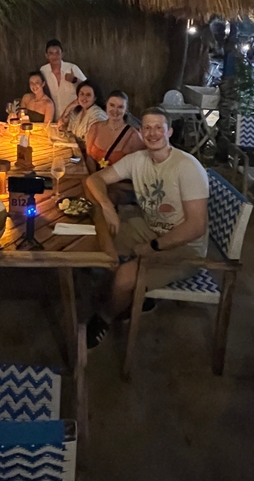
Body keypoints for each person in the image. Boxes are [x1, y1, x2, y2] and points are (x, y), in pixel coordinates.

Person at [84, 107, 209, 349]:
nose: (152, 133)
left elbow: (196, 227)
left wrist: (153, 246)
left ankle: (106, 317)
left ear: (169, 132)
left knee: (125, 275)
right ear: (140, 132)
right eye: (147, 128)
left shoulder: (187, 167)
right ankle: (137, 296)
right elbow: (94, 179)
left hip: (185, 247)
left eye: (158, 128)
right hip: (150, 228)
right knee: (95, 243)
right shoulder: (138, 160)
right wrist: (108, 206)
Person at [85, 90, 144, 171]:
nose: (115, 110)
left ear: (126, 110)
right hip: (93, 179)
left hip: (117, 182)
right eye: (112, 105)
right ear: (106, 105)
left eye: (120, 107)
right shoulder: (95, 127)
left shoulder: (133, 135)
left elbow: (145, 161)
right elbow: (88, 156)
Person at [39, 39, 86, 120]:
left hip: (75, 117)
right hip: (53, 118)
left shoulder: (72, 68)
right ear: (46, 55)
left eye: (57, 53)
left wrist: (74, 80)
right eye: (51, 53)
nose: (54, 56)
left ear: (62, 54)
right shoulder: (43, 71)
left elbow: (89, 88)